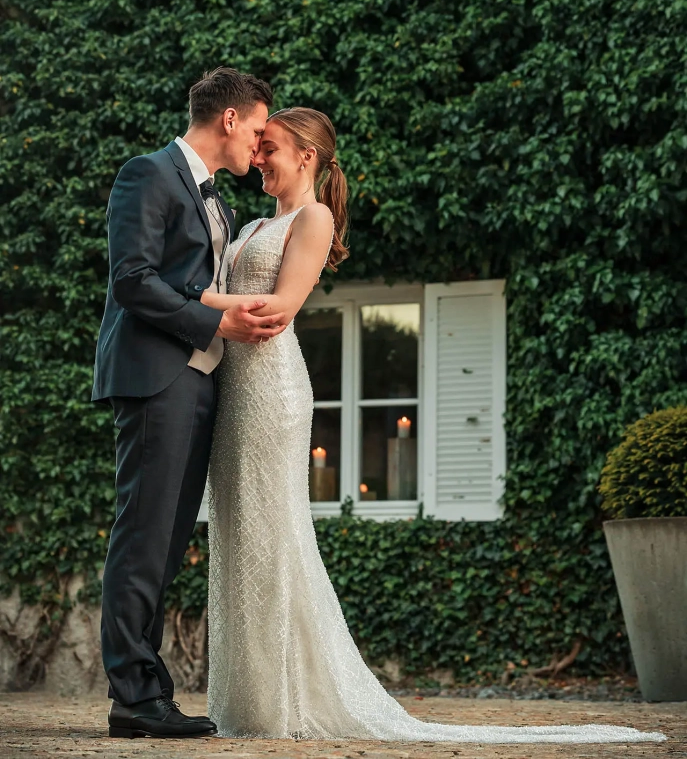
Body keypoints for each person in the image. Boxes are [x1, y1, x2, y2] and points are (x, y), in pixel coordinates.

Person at [202, 107, 663, 746]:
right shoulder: (252, 224)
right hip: (232, 396)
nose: (258, 158)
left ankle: (282, 702)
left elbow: (279, 309)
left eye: (270, 148)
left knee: (275, 535)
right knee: (239, 534)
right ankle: (248, 700)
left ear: (306, 155)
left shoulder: (314, 218)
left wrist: (185, 300)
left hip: (271, 392)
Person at [92, 67, 286, 739]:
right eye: (257, 128)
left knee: (167, 545)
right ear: (229, 119)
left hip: (199, 382)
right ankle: (134, 699)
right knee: (143, 541)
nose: (259, 144)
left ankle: (146, 693)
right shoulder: (146, 174)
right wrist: (216, 323)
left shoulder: (218, 202)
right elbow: (132, 280)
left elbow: (188, 282)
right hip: (156, 378)